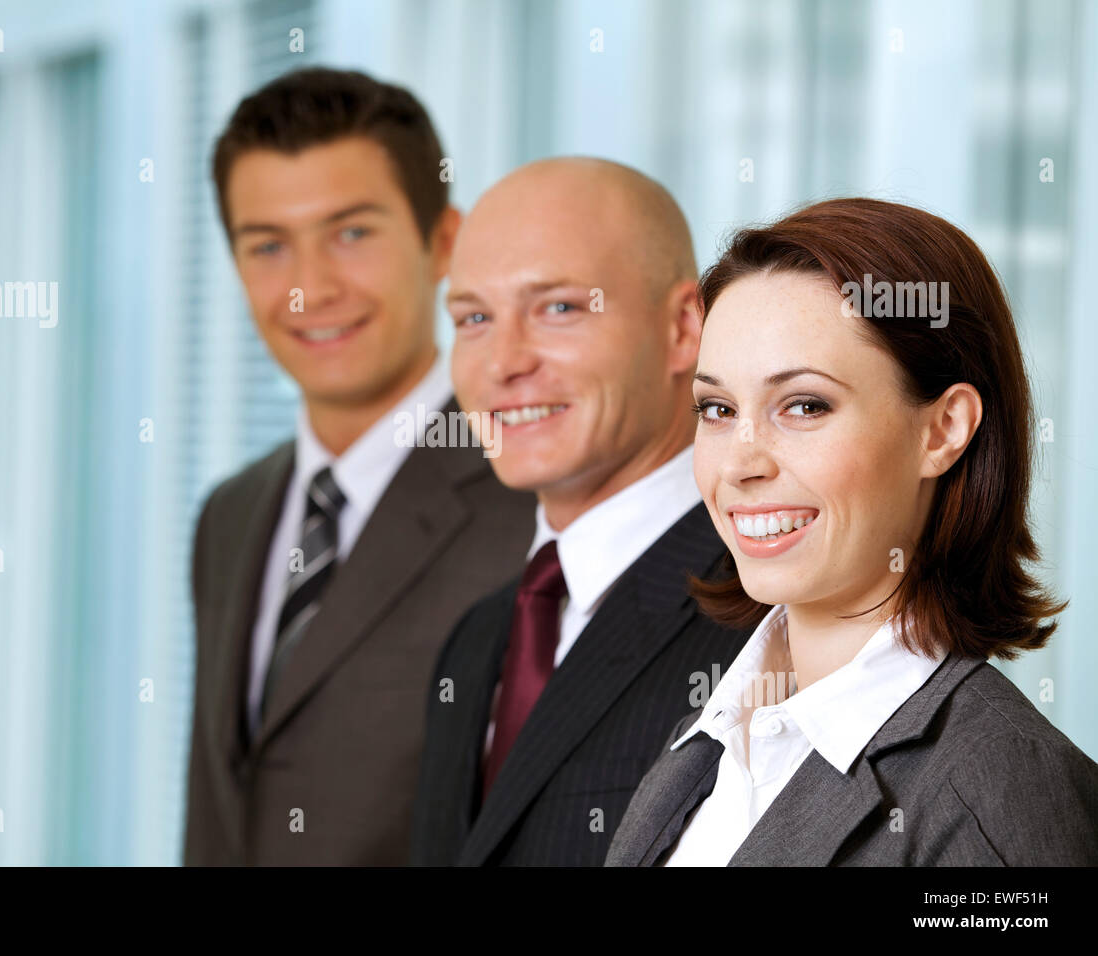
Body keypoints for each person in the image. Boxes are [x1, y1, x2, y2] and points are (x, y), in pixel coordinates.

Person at [607, 197, 1098, 866]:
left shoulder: (1004, 797)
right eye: (717, 408)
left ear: (944, 429)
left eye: (804, 405)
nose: (741, 462)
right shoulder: (709, 737)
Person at [183, 68, 534, 866]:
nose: (309, 289)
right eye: (268, 246)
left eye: (352, 233)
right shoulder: (229, 516)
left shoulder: (532, 501)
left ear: (443, 242)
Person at [409, 158, 755, 866]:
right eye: (473, 317)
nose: (503, 362)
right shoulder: (477, 639)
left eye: (559, 308)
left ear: (685, 327)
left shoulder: (764, 618)